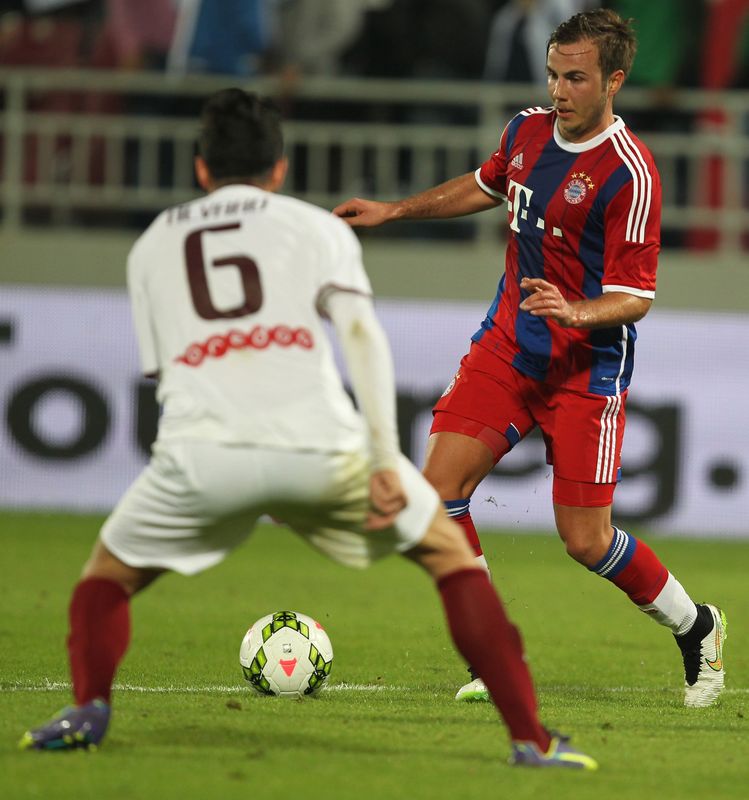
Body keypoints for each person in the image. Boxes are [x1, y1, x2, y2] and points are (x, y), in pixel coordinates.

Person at [19, 88, 596, 770]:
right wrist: (382, 457)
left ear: (201, 168)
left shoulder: (152, 245)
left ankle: (87, 710)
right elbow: (362, 338)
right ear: (280, 168)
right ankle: (530, 739)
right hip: (320, 448)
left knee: (106, 577)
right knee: (448, 558)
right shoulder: (316, 229)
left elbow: (162, 372)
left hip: (202, 454)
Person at [333, 8, 727, 707]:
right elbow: (484, 186)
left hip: (585, 370)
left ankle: (696, 626)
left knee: (585, 540)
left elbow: (635, 295)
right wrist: (396, 211)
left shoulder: (630, 173)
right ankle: (493, 654)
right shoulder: (525, 131)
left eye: (575, 79)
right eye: (552, 75)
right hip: (509, 347)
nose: (558, 91)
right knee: (437, 494)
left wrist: (575, 311)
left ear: (614, 81)